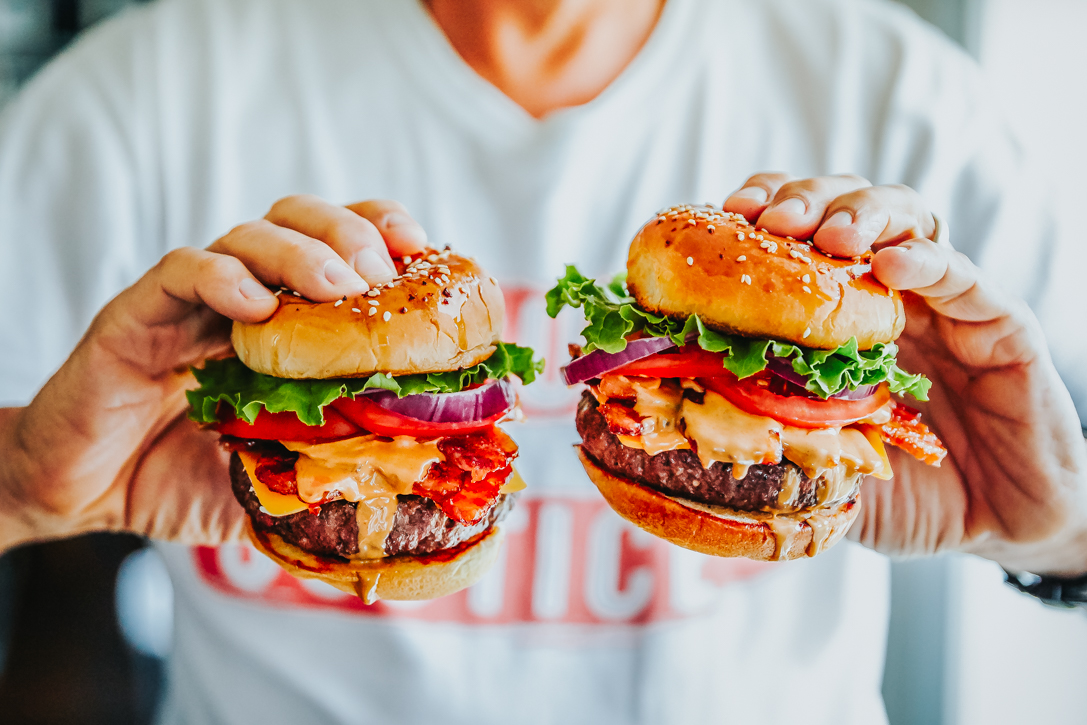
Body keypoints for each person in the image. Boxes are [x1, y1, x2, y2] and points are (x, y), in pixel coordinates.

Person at [0, 0, 1084, 722]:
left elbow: (1066, 503)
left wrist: (1059, 528)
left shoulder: (909, 99)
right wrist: (27, 488)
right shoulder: (139, 93)